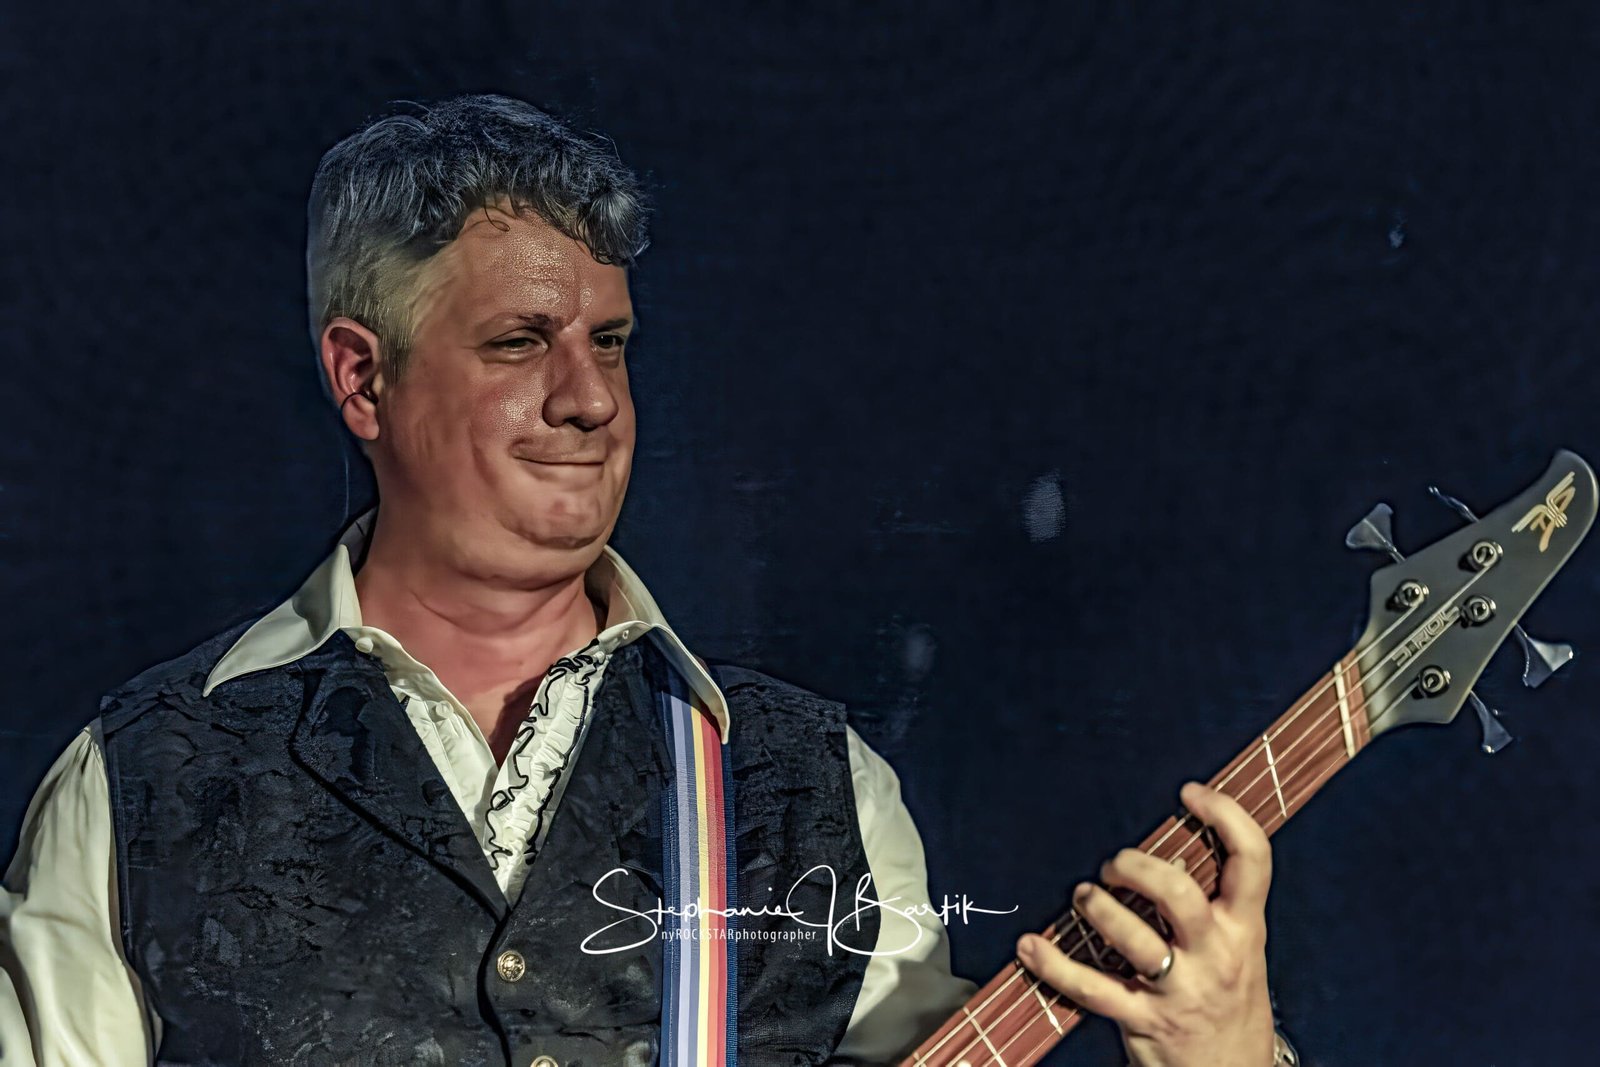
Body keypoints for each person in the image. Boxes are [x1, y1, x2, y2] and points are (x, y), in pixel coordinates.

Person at [0, 94, 1291, 1066]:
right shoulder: (139, 780)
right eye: (520, 342)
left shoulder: (813, 782)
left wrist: (1226, 1055)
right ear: (362, 378)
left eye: (609, 342)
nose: (588, 397)